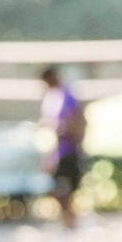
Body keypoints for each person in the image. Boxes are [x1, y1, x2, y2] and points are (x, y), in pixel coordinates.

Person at [39, 66, 86, 230]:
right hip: (57, 153)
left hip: (69, 152)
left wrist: (63, 131)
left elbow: (75, 121)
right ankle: (69, 224)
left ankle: (72, 225)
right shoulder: (51, 99)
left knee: (65, 190)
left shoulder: (67, 96)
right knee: (59, 190)